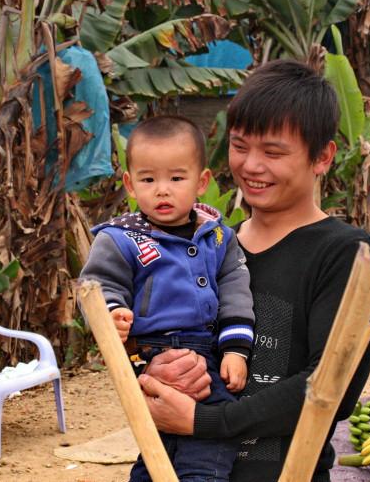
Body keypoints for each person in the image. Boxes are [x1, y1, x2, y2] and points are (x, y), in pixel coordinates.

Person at [136, 59, 370, 482]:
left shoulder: (345, 255)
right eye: (240, 146)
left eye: (273, 152)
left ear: (322, 157)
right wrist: (157, 371)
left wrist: (204, 422)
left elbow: (331, 388)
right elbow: (158, 337)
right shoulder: (210, 246)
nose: (251, 166)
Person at [80, 115, 255, 482]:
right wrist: (112, 314)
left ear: (201, 182)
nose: (162, 190)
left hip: (208, 359)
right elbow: (97, 287)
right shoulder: (120, 239)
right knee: (157, 448)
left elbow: (236, 291)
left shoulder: (218, 237)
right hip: (148, 356)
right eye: (148, 179)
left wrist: (237, 350)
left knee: (207, 453)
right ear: (130, 184)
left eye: (176, 178)